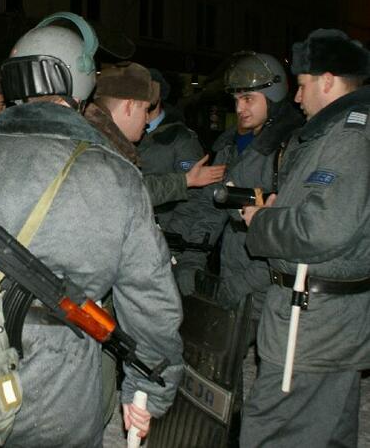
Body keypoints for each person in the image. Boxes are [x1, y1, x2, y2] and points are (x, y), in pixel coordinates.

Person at [0, 12, 183, 447]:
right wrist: (148, 389)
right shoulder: (118, 177)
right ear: (81, 83)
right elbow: (151, 304)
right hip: (67, 397)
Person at [240, 29, 370, 447]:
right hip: (321, 326)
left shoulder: (348, 137)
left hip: (312, 329)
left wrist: (262, 222)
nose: (297, 97)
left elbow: (322, 229)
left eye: (303, 84)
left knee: (271, 434)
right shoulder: (334, 133)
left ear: (327, 81)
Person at [173, 51, 304, 314]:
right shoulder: (230, 145)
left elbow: (289, 233)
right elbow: (210, 210)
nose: (239, 109)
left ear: (273, 96)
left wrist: (242, 284)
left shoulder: (293, 148)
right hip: (229, 267)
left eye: (248, 99)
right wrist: (192, 259)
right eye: (236, 100)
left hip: (270, 286)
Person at [84, 63, 225, 208]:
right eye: (145, 110)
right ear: (129, 106)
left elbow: (130, 189)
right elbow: (128, 194)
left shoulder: (95, 140)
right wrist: (185, 180)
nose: (146, 119)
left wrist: (186, 180)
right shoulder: (99, 149)